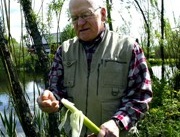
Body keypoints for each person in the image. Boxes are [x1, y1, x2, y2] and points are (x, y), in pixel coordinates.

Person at [37, 0, 153, 136]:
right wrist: (51, 99)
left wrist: (117, 123)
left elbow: (140, 96)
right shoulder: (64, 51)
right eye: (75, 18)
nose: (80, 23)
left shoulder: (128, 48)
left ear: (103, 14)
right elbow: (57, 91)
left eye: (86, 15)